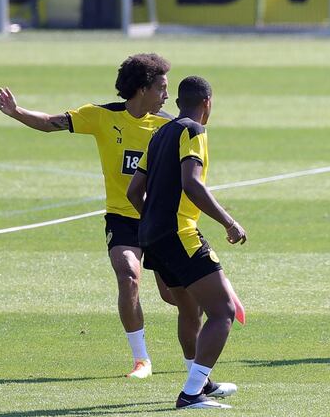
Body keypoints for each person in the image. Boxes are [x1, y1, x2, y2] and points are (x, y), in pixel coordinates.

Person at [0, 54, 173, 378]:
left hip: (159, 218)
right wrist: (16, 112)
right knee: (128, 275)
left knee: (174, 294)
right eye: (161, 87)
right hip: (122, 218)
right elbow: (51, 122)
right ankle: (142, 359)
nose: (166, 95)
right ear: (142, 88)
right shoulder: (100, 116)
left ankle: (213, 309)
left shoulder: (167, 126)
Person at [127, 75, 247, 410]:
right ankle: (191, 392)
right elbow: (192, 183)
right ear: (207, 102)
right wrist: (229, 221)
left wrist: (153, 221)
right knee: (222, 311)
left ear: (178, 102)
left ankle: (201, 383)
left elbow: (134, 191)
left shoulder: (160, 133)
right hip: (180, 233)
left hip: (152, 236)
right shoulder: (193, 131)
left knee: (190, 308)